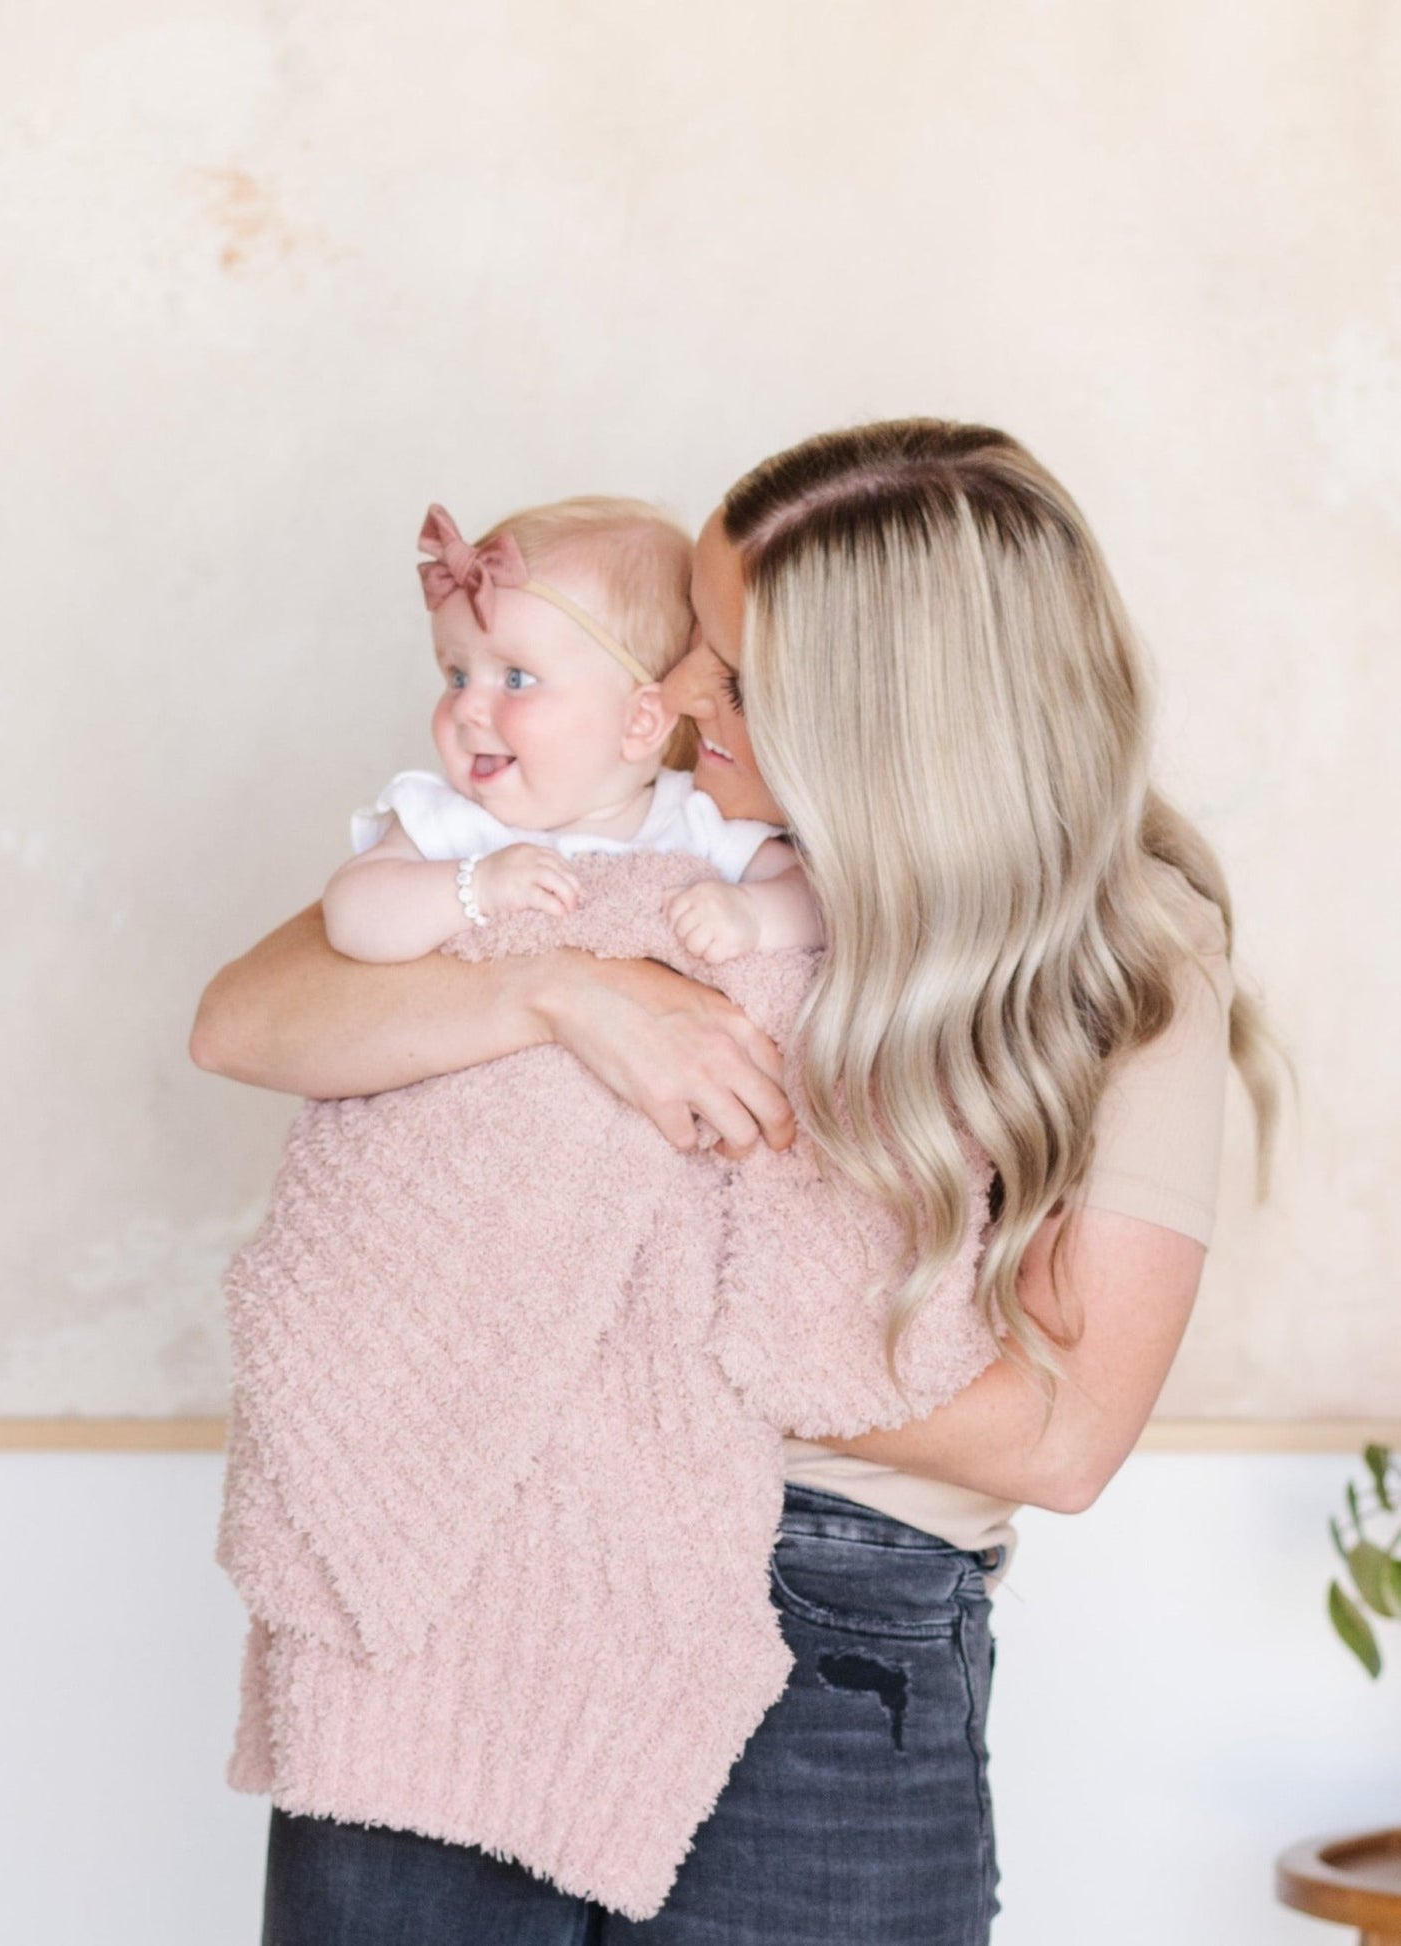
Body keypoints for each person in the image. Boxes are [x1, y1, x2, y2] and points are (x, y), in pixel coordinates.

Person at [191, 419, 1282, 1945]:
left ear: (887, 717)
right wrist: (564, 992)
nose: (678, 698)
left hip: (823, 1617)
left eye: (739, 677)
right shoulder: (626, 842)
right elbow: (244, 1018)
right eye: (690, 645)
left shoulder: (1122, 947)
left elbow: (1059, 1433)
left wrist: (639, 1336)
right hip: (481, 1550)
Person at [325, 497, 820, 963]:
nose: (467, 707)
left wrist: (753, 914)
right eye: (456, 676)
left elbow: (822, 902)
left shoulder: (695, 818)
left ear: (639, 721)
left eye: (516, 679)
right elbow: (351, 912)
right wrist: (475, 888)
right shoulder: (449, 821)